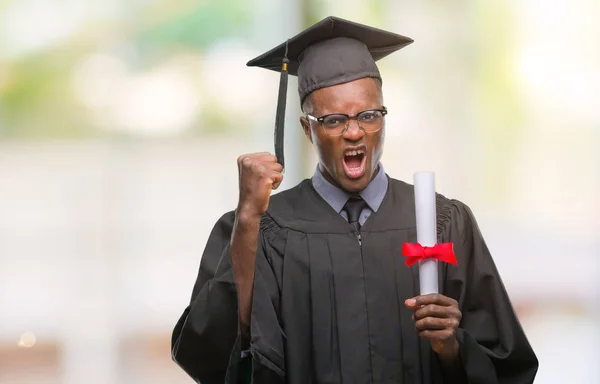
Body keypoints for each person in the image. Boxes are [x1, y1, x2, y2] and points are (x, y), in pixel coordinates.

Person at [171, 16, 538, 384]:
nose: (354, 132)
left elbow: (509, 368)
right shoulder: (262, 231)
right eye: (333, 120)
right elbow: (208, 357)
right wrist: (248, 218)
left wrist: (453, 349)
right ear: (307, 129)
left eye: (368, 115)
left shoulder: (447, 223)